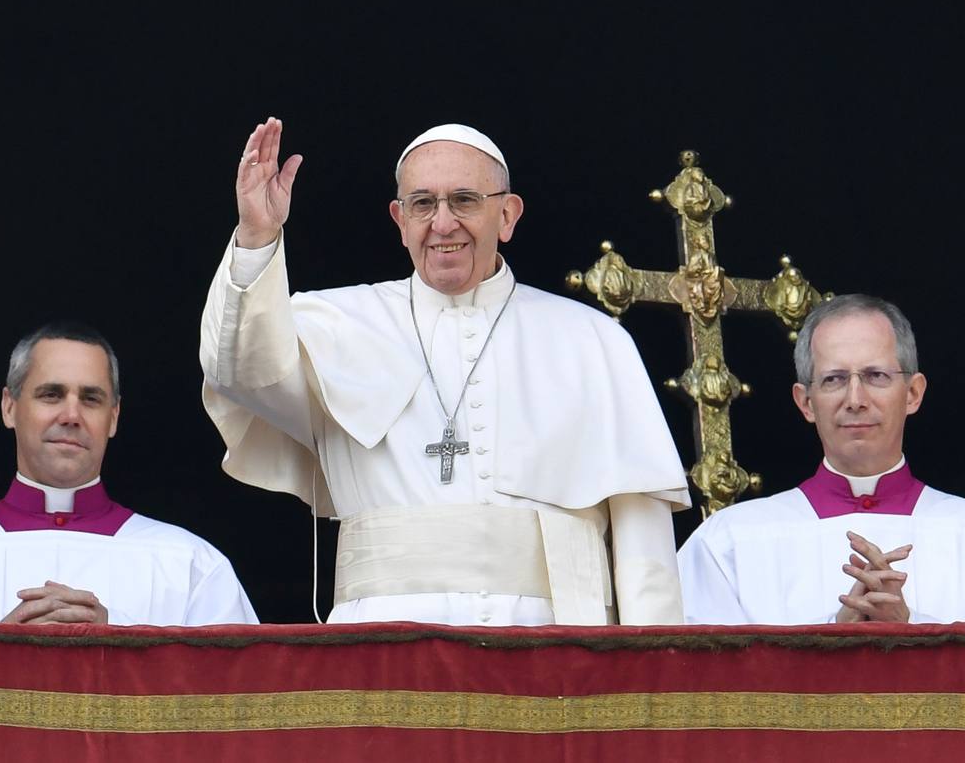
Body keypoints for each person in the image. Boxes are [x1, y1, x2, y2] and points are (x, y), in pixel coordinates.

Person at [199, 117, 690, 626]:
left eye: (464, 200)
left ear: (507, 215)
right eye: (422, 203)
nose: (442, 223)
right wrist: (257, 235)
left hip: (556, 649)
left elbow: (645, 559)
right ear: (400, 220)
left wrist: (652, 664)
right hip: (381, 648)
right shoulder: (333, 324)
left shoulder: (592, 341)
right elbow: (239, 370)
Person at [677, 294, 965, 624]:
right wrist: (834, 636)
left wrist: (909, 629)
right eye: (834, 379)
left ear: (913, 393)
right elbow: (693, 681)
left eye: (876, 376)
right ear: (806, 402)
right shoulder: (728, 542)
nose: (855, 399)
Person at [0, 323, 258, 626]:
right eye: (51, 395)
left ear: (113, 417)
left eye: (91, 398)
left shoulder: (192, 565)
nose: (71, 415)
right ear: (9, 407)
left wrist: (119, 646)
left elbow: (238, 702)